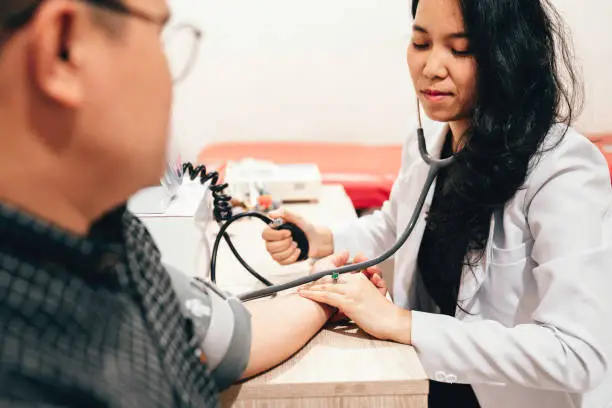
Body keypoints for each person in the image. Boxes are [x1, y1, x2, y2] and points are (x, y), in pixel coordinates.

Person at [0, 0, 384, 406]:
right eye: (160, 37)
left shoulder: (112, 240)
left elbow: (232, 336)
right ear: (63, 48)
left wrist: (325, 286)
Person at [262, 0, 612, 407]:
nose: (431, 67)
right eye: (420, 42)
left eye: (460, 49)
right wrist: (320, 239)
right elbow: (395, 228)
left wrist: (402, 323)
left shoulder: (562, 168)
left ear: (507, 54)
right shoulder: (428, 147)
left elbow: (577, 354)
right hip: (420, 380)